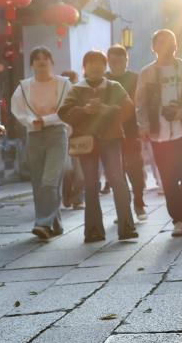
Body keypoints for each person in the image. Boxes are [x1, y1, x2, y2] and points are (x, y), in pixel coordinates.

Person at [58, 51, 138, 242]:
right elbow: (64, 112)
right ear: (84, 67)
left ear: (105, 66)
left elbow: (128, 108)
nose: (95, 66)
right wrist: (83, 110)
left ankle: (126, 227)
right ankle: (93, 230)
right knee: (91, 184)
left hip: (111, 140)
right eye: (90, 63)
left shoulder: (114, 86)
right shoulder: (77, 89)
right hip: (87, 142)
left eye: (99, 63)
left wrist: (107, 110)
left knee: (117, 180)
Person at [135, 29, 182, 238]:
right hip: (159, 134)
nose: (167, 46)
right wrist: (144, 125)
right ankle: (178, 220)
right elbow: (141, 103)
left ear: (176, 46)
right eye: (161, 42)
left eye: (171, 42)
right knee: (168, 178)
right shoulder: (147, 73)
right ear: (154, 47)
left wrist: (181, 112)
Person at [10, 47, 71, 240]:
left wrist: (47, 120)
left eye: (46, 57)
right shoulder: (24, 86)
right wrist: (30, 121)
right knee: (39, 183)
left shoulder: (63, 84)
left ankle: (42, 223)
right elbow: (17, 109)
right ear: (32, 64)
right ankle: (55, 224)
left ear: (52, 61)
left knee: (49, 181)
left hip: (56, 134)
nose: (41, 61)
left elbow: (67, 109)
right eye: (37, 58)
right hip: (34, 135)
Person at [106, 45, 147, 218]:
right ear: (108, 61)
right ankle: (123, 208)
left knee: (135, 167)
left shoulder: (135, 78)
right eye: (113, 61)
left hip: (131, 130)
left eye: (120, 61)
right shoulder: (103, 79)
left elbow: (142, 102)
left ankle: (139, 200)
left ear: (126, 61)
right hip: (109, 132)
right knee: (116, 172)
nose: (116, 65)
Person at [58, 70, 84, 210]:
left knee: (80, 173)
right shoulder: (59, 97)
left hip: (78, 137)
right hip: (63, 138)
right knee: (67, 171)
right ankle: (67, 197)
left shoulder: (79, 96)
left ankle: (78, 199)